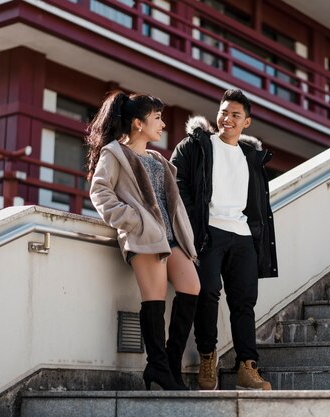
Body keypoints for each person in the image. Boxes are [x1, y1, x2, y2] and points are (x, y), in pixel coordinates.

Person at [87, 91, 200, 391]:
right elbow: (100, 194)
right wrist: (133, 221)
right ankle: (158, 366)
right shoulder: (114, 153)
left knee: (192, 287)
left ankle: (169, 364)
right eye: (157, 118)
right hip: (145, 238)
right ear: (138, 124)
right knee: (155, 299)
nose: (162, 124)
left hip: (172, 237)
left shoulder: (158, 159)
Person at [171, 88, 278, 390]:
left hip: (242, 236)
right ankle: (208, 355)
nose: (227, 119)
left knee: (244, 302)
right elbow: (179, 186)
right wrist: (195, 225)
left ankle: (247, 365)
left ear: (247, 122)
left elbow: (258, 206)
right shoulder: (197, 146)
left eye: (235, 115)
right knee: (206, 292)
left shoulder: (251, 157)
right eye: (224, 112)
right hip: (208, 231)